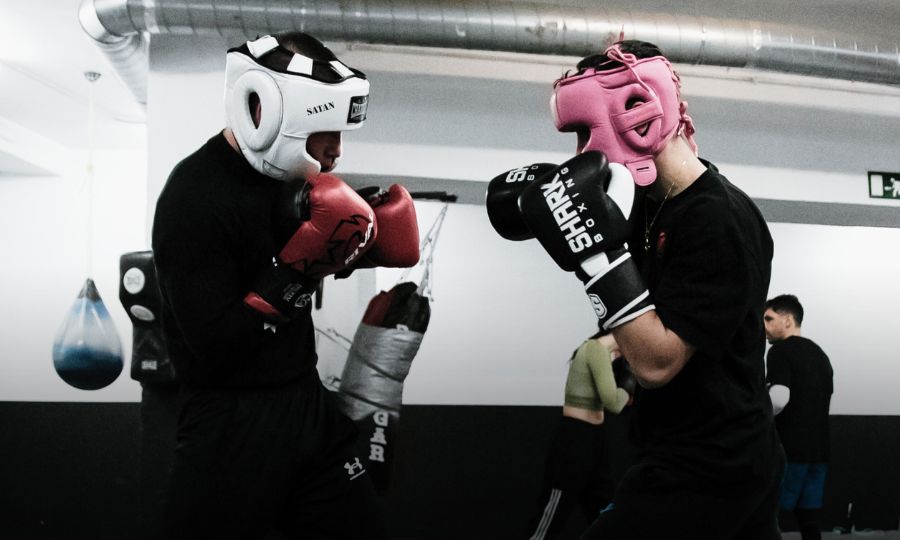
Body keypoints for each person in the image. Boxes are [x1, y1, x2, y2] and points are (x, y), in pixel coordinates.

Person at [486, 40, 783, 539]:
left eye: (585, 130)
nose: (582, 151)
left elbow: (657, 363)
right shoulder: (646, 207)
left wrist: (596, 259)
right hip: (698, 450)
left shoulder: (717, 219)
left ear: (636, 113)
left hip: (712, 464)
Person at [152, 32, 417, 539]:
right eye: (326, 133)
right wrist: (296, 272)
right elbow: (216, 348)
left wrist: (358, 248)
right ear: (272, 113)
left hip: (305, 403)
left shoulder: (291, 186)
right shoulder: (195, 198)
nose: (337, 153)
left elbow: (301, 261)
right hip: (231, 421)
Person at [519, 334, 634, 540]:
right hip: (575, 439)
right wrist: (628, 386)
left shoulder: (608, 354)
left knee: (604, 511)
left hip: (595, 440)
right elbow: (614, 403)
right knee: (552, 514)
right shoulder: (595, 349)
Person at [764, 294, 834, 540]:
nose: (763, 325)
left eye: (769, 318)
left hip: (789, 452)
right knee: (809, 520)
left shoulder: (780, 352)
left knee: (770, 517)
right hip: (819, 452)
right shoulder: (820, 355)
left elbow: (780, 398)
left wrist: (757, 420)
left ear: (787, 320)